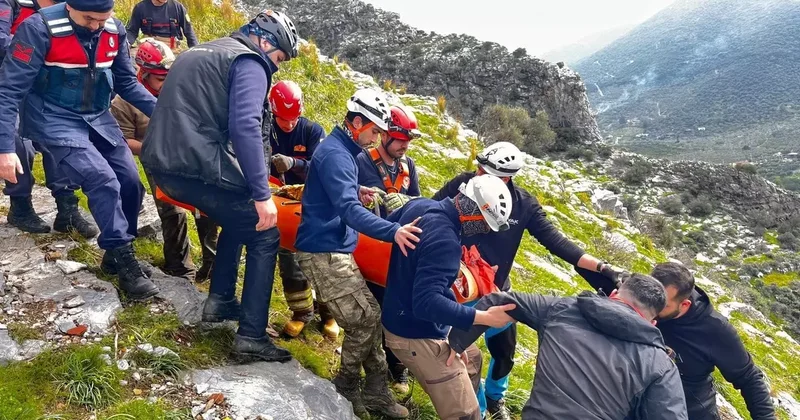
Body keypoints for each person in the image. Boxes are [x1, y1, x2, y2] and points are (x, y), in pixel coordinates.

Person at [141, 9, 299, 362]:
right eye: (278, 58)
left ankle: (221, 301)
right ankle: (252, 337)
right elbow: (244, 125)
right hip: (190, 166)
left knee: (239, 213)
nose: (276, 66)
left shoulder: (204, 49)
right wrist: (262, 194)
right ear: (264, 42)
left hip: (162, 162)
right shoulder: (249, 62)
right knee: (264, 231)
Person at [431, 141, 628, 419]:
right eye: (478, 169)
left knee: (504, 353)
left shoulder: (524, 205)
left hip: (498, 290)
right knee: (461, 354)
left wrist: (602, 267)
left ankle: (495, 397)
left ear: (507, 177)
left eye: (485, 172)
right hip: (461, 289)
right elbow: (430, 209)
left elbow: (557, 243)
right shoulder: (463, 185)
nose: (477, 175)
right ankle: (480, 410)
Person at [0, 0, 161, 300]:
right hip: (53, 117)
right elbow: (9, 90)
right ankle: (125, 261)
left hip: (98, 116)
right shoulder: (37, 29)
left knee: (129, 182)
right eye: (89, 19)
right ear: (69, 6)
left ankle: (114, 255)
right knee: (102, 179)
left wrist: (165, 113)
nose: (96, 26)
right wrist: (4, 148)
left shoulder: (113, 30)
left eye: (103, 19)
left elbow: (126, 82)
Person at [294, 88, 422, 419]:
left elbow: (336, 193)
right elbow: (349, 211)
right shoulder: (338, 154)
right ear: (357, 122)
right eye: (375, 131)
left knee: (369, 318)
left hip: (334, 247)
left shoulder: (342, 151)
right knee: (364, 321)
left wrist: (357, 189)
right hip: (323, 252)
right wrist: (393, 231)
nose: (377, 137)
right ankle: (347, 385)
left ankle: (377, 393)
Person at [449, 274, 688, 420]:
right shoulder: (661, 365)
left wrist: (456, 344)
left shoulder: (562, 308)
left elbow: (499, 300)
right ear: (652, 322)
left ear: (614, 293)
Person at [382, 174, 518, 420]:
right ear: (473, 213)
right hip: (414, 332)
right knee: (465, 415)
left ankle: (478, 406)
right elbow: (426, 303)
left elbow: (386, 231)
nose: (485, 230)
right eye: (485, 223)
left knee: (474, 359)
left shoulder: (421, 205)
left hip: (401, 313)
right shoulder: (446, 242)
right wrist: (483, 317)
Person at [110, 37, 219, 282]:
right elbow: (124, 140)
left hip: (191, 155)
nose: (166, 82)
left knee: (206, 209)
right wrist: (155, 147)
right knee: (173, 211)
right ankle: (180, 268)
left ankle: (213, 265)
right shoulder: (123, 103)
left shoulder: (181, 89)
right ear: (144, 73)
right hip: (157, 161)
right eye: (160, 78)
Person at [0, 0, 97, 238]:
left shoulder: (70, 6)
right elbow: (2, 40)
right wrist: (38, 48)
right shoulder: (11, 3)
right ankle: (20, 205)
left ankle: (67, 207)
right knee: (19, 144)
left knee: (58, 137)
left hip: (47, 83)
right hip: (9, 81)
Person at [650, 262, 776, 420]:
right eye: (650, 296)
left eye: (662, 304)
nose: (651, 305)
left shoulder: (714, 329)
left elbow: (749, 378)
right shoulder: (642, 301)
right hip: (643, 399)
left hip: (690, 410)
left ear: (684, 304)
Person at [355, 104, 421, 393]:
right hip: (369, 243)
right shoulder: (362, 160)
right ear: (385, 136)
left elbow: (418, 201)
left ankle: (397, 366)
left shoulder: (408, 167)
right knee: (373, 305)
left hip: (398, 245)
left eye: (408, 141)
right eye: (401, 140)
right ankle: (371, 367)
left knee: (397, 305)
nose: (405, 146)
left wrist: (405, 202)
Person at [265, 80, 338, 339]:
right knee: (289, 261)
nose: (289, 124)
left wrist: (294, 162)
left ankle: (329, 315)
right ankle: (301, 313)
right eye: (284, 119)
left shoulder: (311, 131)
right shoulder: (266, 129)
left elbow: (322, 167)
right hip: (279, 203)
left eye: (294, 118)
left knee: (322, 262)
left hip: (312, 204)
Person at [125, 0, 197, 52]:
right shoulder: (140, 7)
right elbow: (132, 31)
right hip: (148, 49)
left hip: (172, 50)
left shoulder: (178, 7)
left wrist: (196, 50)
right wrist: (125, 45)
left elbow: (189, 32)